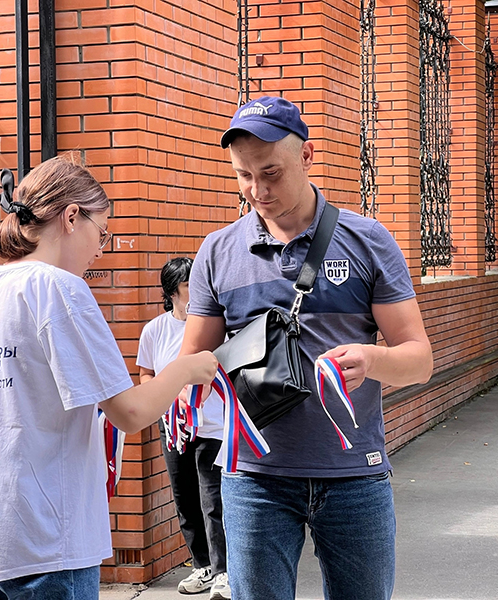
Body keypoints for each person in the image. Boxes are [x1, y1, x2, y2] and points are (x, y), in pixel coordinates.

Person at [179, 96, 434, 600]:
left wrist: (373, 359)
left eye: (271, 173)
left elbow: (419, 360)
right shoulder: (217, 251)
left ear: (308, 155)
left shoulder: (367, 240)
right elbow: (193, 363)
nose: (258, 190)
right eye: (244, 176)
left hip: (354, 476)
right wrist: (189, 386)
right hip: (254, 480)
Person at [0, 156, 217, 600]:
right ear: (71, 217)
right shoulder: (58, 287)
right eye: (101, 232)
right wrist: (186, 367)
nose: (101, 249)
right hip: (46, 539)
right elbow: (129, 411)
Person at [137, 258, 229, 599]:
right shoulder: (154, 330)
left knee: (212, 500)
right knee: (185, 498)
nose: (196, 292)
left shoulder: (214, 327)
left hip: (212, 425)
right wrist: (162, 394)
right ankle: (201, 565)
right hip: (174, 427)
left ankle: (223, 571)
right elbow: (145, 372)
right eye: (189, 286)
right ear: (172, 292)